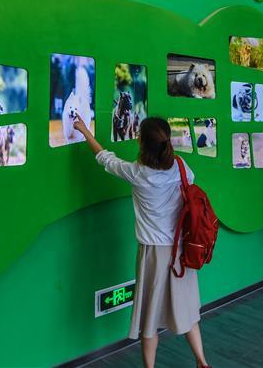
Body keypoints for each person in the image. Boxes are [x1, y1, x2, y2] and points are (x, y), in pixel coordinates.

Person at [73, 116, 211, 368]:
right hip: (182, 251)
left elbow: (105, 158)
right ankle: (202, 362)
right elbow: (188, 191)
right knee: (188, 310)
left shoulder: (137, 173)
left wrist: (84, 130)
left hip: (153, 254)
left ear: (142, 144)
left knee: (149, 319)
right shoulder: (181, 166)